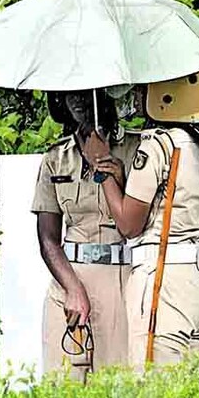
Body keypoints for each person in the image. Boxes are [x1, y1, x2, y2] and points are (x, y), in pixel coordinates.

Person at [91, 68, 199, 368]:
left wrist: (101, 168)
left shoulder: (159, 143)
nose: (138, 94)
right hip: (197, 279)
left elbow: (129, 225)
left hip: (163, 281)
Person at [31, 89, 138, 378]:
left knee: (117, 387)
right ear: (59, 101)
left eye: (85, 92)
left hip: (121, 280)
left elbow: (141, 223)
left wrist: (114, 175)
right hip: (69, 281)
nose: (78, 100)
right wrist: (73, 289)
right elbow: (48, 238)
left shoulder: (135, 148)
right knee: (63, 383)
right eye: (70, 94)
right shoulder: (56, 158)